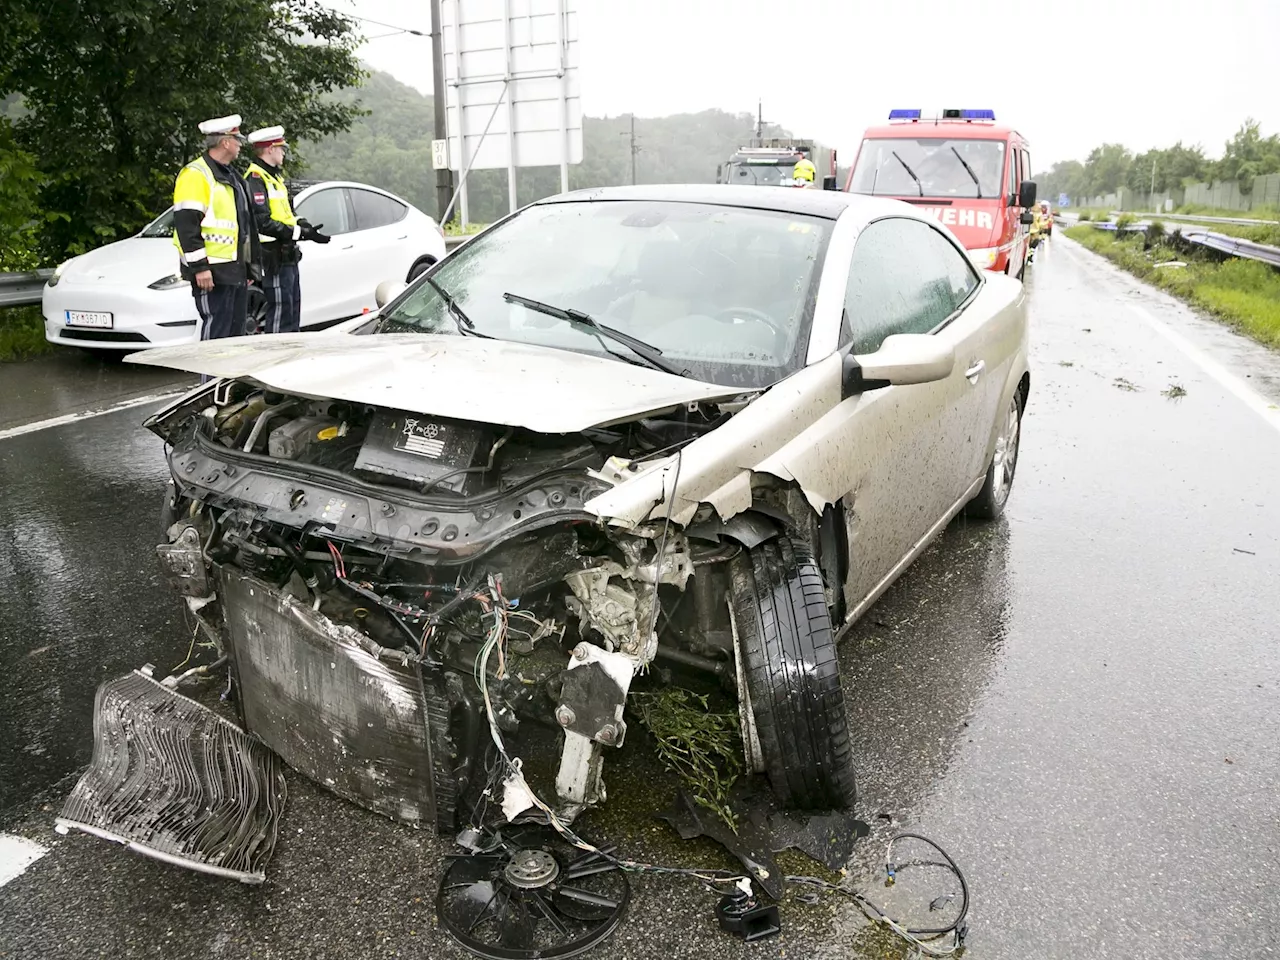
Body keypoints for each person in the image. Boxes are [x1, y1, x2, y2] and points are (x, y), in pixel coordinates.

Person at [172, 115, 257, 345]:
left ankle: (231, 381)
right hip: (211, 273)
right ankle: (210, 382)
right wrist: (200, 268)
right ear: (225, 142)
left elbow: (241, 227)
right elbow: (187, 225)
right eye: (236, 139)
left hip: (233, 271)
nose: (240, 144)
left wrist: (246, 269)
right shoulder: (196, 174)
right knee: (216, 339)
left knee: (234, 337)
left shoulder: (232, 176)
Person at [243, 125, 330, 334]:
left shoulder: (276, 179)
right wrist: (300, 233)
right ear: (270, 149)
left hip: (288, 255)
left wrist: (304, 225)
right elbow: (262, 222)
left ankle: (291, 358)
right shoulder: (255, 179)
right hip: (272, 256)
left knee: (292, 311)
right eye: (281, 148)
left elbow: (287, 214)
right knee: (280, 314)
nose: (284, 152)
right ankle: (275, 358)